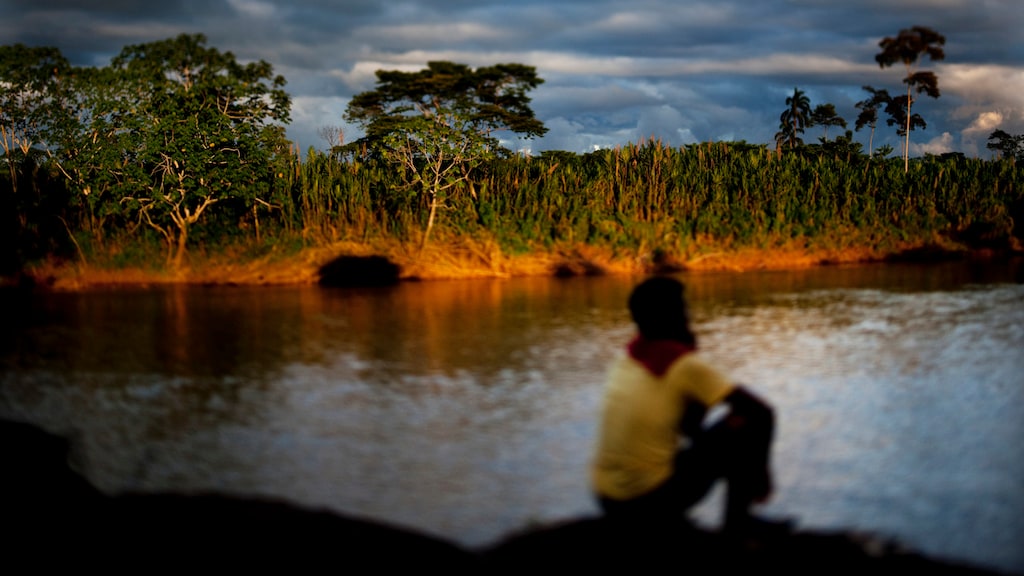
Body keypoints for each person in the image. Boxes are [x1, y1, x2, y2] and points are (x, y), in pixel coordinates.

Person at [591, 276, 789, 536]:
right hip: (648, 501)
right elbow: (760, 412)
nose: (688, 317)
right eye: (683, 310)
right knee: (744, 424)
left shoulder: (626, 359)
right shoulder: (682, 364)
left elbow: (689, 428)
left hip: (609, 500)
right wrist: (761, 474)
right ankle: (738, 523)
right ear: (671, 317)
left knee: (724, 430)